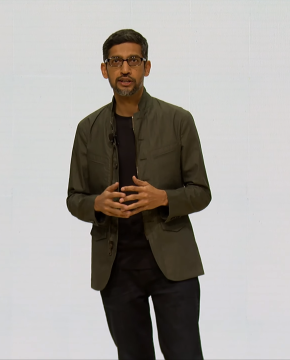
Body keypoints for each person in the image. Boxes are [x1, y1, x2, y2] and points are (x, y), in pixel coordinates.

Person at [66, 29, 211, 360]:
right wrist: (97, 205)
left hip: (173, 267)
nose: (125, 69)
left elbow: (201, 192)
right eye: (116, 61)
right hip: (117, 269)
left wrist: (164, 199)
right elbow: (74, 198)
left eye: (133, 60)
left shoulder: (178, 121)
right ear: (105, 69)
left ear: (147, 67)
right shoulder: (87, 129)